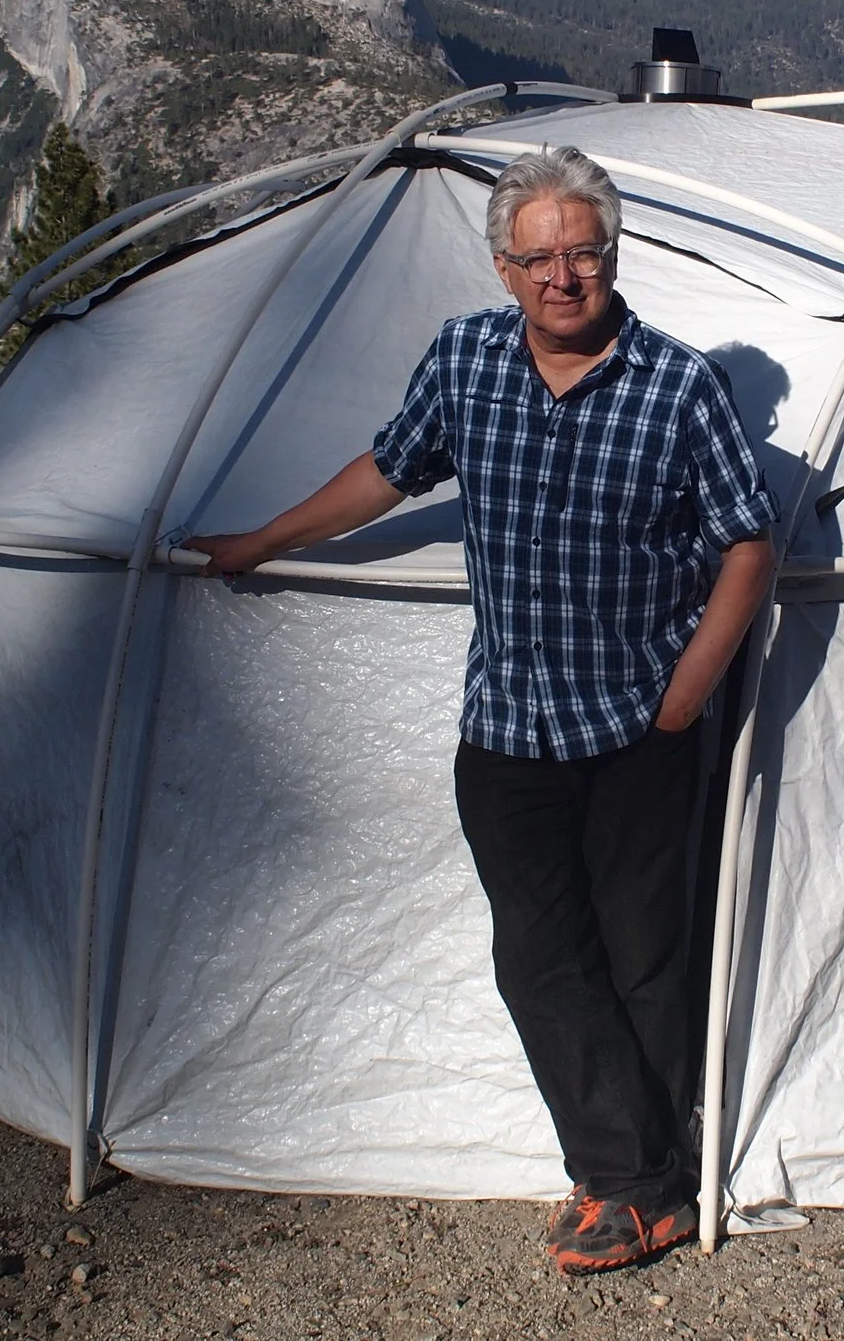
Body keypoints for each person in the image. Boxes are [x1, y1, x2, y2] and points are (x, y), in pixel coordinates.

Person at [182, 143, 777, 1274]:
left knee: (645, 956)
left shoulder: (678, 384)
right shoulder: (464, 362)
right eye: (539, 257)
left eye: (583, 253)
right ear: (503, 268)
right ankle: (641, 1177)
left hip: (636, 727)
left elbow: (747, 540)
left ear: (613, 255)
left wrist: (687, 692)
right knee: (540, 959)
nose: (565, 277)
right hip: (507, 729)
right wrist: (261, 540)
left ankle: (632, 1187)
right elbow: (388, 470)